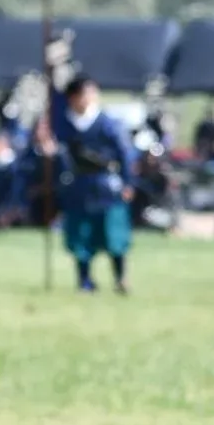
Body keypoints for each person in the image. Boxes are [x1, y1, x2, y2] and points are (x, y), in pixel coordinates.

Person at [42, 73, 137, 294]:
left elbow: (124, 155)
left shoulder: (108, 123)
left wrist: (127, 183)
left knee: (114, 235)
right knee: (80, 236)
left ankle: (120, 278)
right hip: (78, 186)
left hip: (106, 185)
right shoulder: (64, 124)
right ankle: (84, 280)